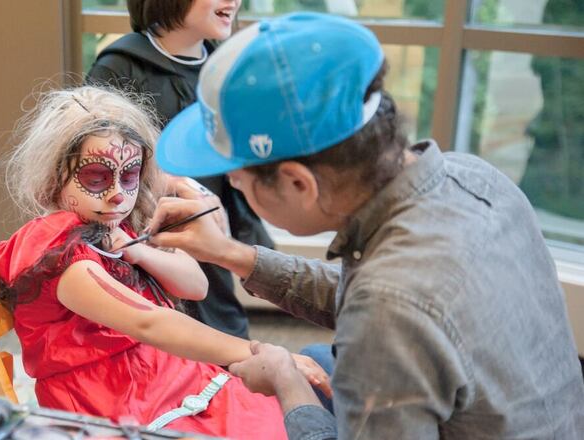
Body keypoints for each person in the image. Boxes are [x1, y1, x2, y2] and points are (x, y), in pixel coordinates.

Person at [146, 12, 584, 439]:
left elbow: (387, 305)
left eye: (236, 179)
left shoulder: (388, 309)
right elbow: (378, 296)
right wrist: (231, 253)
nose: (233, 187)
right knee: (320, 356)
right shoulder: (473, 177)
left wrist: (286, 383)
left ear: (298, 183)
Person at [0, 85, 328, 439]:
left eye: (129, 175)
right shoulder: (57, 253)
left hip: (167, 380)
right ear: (54, 176)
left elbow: (196, 286)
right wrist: (263, 354)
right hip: (111, 405)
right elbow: (150, 323)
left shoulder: (110, 225)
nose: (118, 194)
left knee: (284, 414)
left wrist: (140, 252)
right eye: (96, 178)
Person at [86, 0, 273, 339]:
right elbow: (97, 161)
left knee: (225, 339)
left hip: (209, 232)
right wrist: (178, 183)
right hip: (146, 239)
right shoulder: (119, 67)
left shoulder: (225, 66)